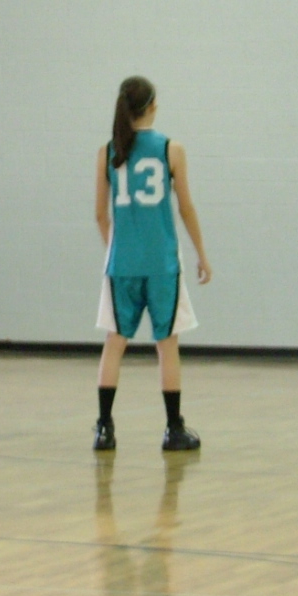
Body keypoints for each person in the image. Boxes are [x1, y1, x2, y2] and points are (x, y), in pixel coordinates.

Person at [94, 76, 211, 452]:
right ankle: (173, 429)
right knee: (167, 344)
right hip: (162, 263)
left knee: (114, 342)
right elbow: (186, 207)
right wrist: (201, 253)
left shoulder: (107, 151)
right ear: (152, 107)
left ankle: (104, 429)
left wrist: (117, 249)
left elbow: (100, 215)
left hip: (122, 264)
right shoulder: (171, 149)